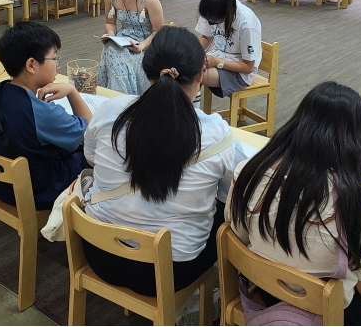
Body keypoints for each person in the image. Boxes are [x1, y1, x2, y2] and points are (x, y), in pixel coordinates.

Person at [83, 26, 246, 296]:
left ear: (144, 70)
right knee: (224, 210)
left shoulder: (110, 110)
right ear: (201, 76)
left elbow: (90, 159)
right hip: (169, 272)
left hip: (99, 253)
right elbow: (233, 196)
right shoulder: (218, 134)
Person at [226, 81, 361, 326]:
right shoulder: (357, 199)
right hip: (328, 311)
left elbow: (239, 236)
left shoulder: (249, 172)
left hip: (268, 292)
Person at [0, 21, 92, 210]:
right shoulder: (40, 112)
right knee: (94, 155)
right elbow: (90, 131)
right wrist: (72, 91)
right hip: (34, 190)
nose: (57, 66)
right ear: (31, 65)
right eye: (54, 59)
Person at [97, 0, 164, 95]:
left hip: (145, 44)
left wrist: (141, 47)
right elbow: (110, 22)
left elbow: (158, 31)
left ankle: (120, 100)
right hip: (122, 40)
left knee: (115, 55)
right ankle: (118, 99)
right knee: (111, 49)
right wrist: (110, 34)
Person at [196, 0, 262, 99]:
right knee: (185, 66)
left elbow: (248, 67)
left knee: (191, 75)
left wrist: (217, 62)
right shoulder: (211, 11)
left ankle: (191, 113)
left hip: (240, 71)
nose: (210, 23)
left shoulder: (246, 24)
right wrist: (191, 52)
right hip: (219, 56)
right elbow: (206, 38)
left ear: (226, 16)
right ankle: (188, 110)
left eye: (213, 22)